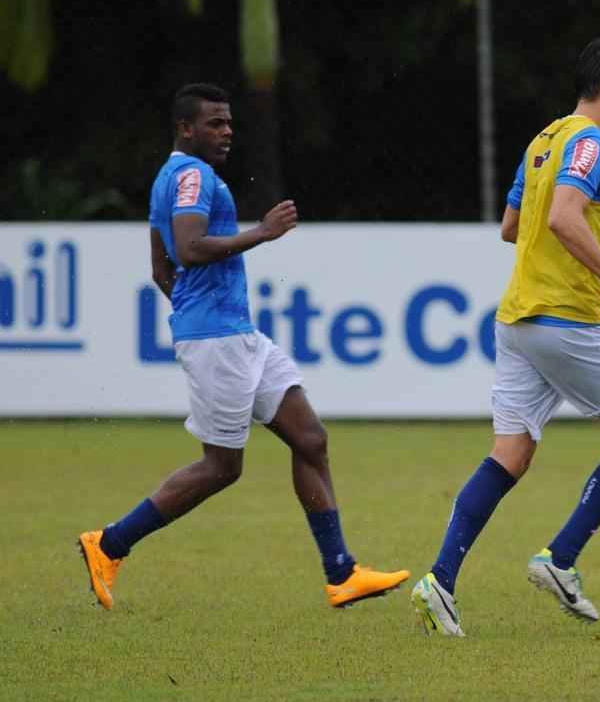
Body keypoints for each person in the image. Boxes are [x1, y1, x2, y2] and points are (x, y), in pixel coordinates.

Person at [78, 83, 409, 610]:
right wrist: (261, 234)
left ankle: (342, 573)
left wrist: (193, 310)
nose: (226, 131)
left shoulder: (171, 178)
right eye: (214, 123)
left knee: (310, 438)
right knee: (221, 467)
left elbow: (161, 267)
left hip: (238, 335)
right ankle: (109, 544)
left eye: (229, 122)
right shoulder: (191, 176)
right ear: (185, 128)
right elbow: (187, 247)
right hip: (219, 340)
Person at [411, 37, 600, 637]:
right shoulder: (593, 142)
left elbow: (512, 226)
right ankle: (561, 557)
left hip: (517, 320)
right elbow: (560, 218)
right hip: (565, 318)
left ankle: (439, 582)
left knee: (512, 453)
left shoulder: (544, 139)